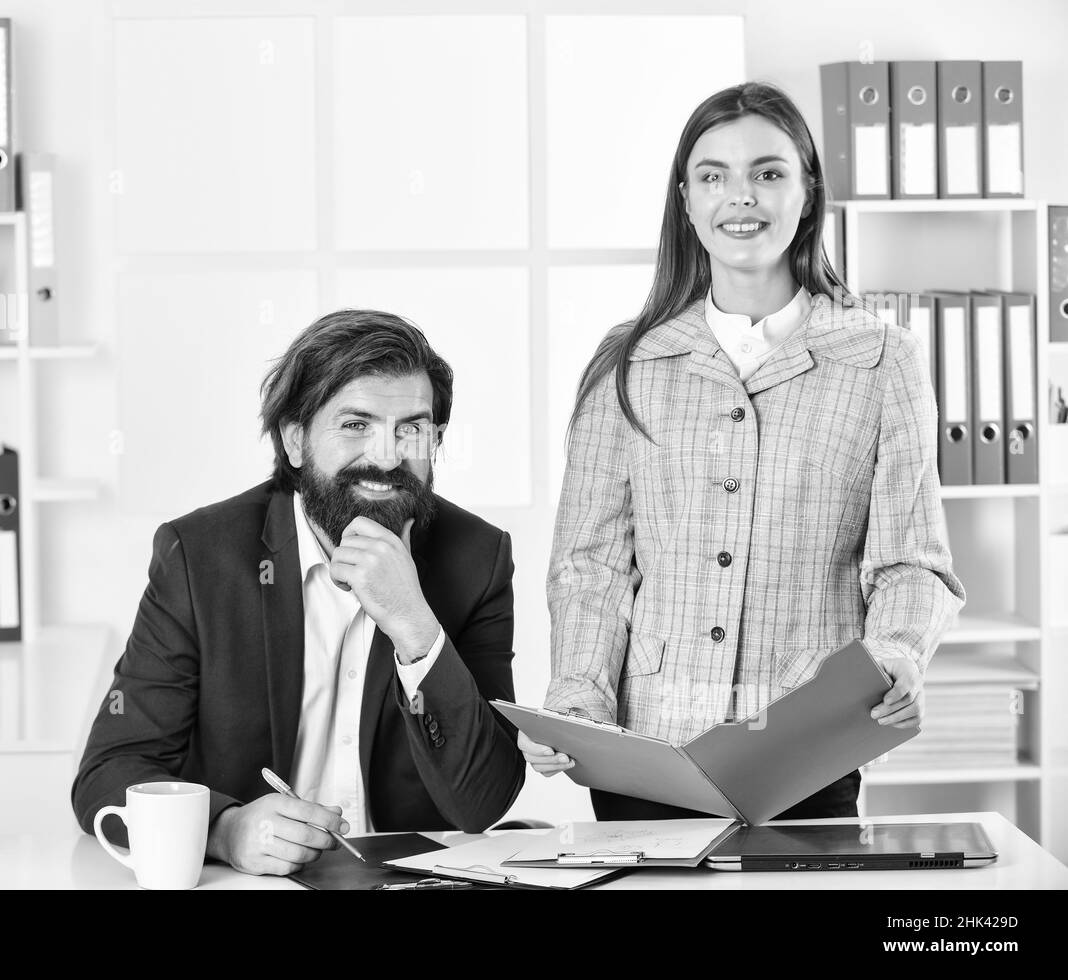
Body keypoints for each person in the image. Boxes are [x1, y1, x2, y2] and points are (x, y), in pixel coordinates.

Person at [520, 82, 965, 820]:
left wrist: (897, 651)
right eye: (713, 176)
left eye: (768, 172)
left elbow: (912, 561)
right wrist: (577, 695)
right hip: (647, 758)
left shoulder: (884, 360)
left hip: (808, 752)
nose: (741, 198)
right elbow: (590, 565)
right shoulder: (627, 363)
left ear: (806, 191)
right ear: (686, 199)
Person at [72, 309, 524, 875]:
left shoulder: (476, 558)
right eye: (356, 424)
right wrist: (224, 828)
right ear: (294, 439)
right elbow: (110, 772)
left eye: (411, 428)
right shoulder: (201, 556)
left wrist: (414, 624)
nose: (386, 456)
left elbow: (484, 800)